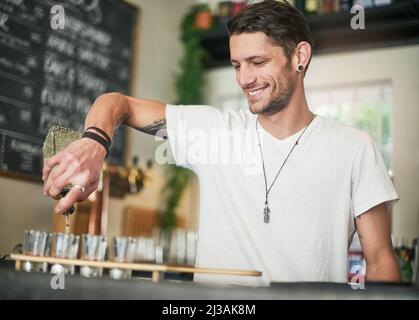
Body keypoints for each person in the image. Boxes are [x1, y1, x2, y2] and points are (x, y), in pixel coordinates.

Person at [43, 1, 400, 286]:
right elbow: (116, 103)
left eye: (257, 62)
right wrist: (94, 142)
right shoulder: (214, 131)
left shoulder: (354, 149)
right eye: (236, 65)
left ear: (299, 57)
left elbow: (381, 260)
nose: (244, 79)